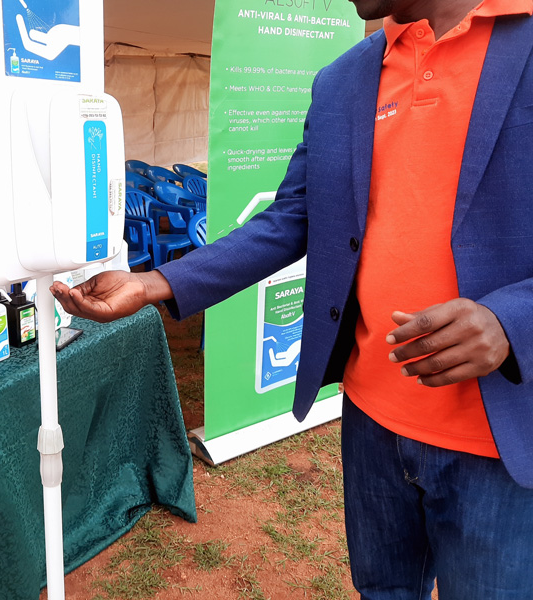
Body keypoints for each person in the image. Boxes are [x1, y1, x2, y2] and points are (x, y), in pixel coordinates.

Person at [52, 0, 533, 597]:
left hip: (501, 439)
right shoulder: (343, 79)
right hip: (372, 422)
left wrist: (512, 321)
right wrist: (157, 283)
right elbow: (292, 217)